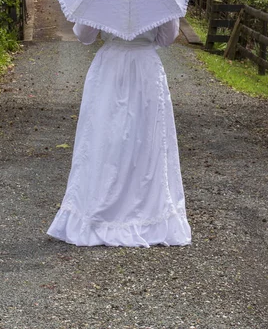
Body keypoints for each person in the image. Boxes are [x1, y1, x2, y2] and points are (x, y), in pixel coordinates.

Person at [47, 19, 191, 247]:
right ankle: (145, 211)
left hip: (110, 67)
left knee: (104, 137)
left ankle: (99, 208)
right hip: (146, 67)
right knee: (146, 139)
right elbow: (167, 38)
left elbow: (84, 36)